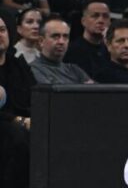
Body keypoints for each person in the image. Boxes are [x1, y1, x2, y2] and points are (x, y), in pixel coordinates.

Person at [0, 12, 35, 187]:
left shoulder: (19, 65)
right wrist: (18, 120)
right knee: (17, 136)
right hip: (6, 124)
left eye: (2, 30)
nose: (0, 35)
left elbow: (36, 97)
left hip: (28, 122)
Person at [29, 17, 93, 84]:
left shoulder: (74, 70)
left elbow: (97, 92)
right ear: (41, 41)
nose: (61, 42)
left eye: (65, 37)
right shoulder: (32, 70)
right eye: (55, 36)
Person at [64, 0, 111, 76]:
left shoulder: (112, 50)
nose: (101, 20)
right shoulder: (71, 51)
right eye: (95, 16)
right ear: (83, 21)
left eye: (105, 16)